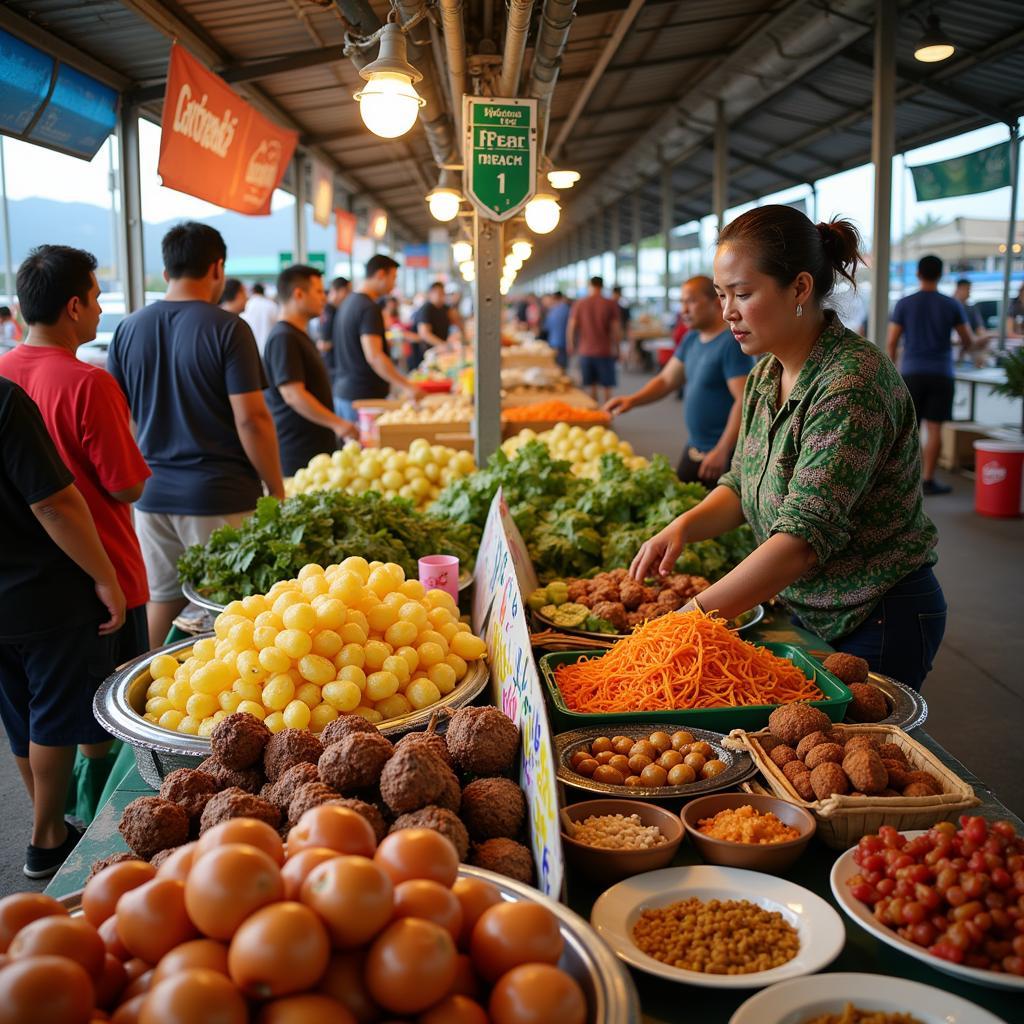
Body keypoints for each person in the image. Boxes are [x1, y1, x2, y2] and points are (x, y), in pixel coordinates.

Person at [631, 205, 944, 692]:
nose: (727, 311)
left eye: (743, 293)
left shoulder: (850, 384)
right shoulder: (766, 371)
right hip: (808, 609)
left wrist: (689, 618)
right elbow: (741, 481)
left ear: (799, 288)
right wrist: (683, 527)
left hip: (875, 613)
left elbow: (800, 540)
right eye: (721, 295)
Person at [107, 222, 283, 648]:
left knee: (163, 601)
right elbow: (252, 419)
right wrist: (276, 488)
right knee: (231, 613)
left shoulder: (127, 329)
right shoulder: (228, 328)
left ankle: (147, 691)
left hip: (152, 496)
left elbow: (122, 418)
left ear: (166, 271)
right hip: (219, 497)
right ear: (217, 268)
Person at [0, 378, 126, 876]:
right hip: (40, 591)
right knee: (51, 712)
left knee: (18, 715)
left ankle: (45, 823)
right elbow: (53, 503)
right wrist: (105, 577)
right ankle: (47, 839)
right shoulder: (5, 400)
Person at [0, 243, 150, 654]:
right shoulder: (90, 383)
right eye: (97, 298)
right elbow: (127, 487)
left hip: (20, 587)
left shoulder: (3, 375)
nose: (100, 309)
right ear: (74, 307)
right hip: (101, 580)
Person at [606, 276, 753, 484]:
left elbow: (744, 400)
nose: (683, 309)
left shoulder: (731, 343)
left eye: (691, 301)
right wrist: (632, 400)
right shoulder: (692, 338)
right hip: (695, 447)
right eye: (682, 302)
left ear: (716, 301)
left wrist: (722, 450)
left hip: (723, 455)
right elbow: (667, 380)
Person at [886, 255, 973, 496]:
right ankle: (928, 480)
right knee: (934, 429)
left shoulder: (904, 304)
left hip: (912, 372)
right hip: (941, 372)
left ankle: (907, 482)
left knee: (909, 430)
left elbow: (892, 341)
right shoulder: (951, 304)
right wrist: (962, 351)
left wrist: (892, 370)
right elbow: (968, 339)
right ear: (941, 274)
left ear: (918, 274)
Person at [263, 265, 357, 475]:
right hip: (299, 452)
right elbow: (293, 395)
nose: (324, 298)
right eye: (318, 292)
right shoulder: (283, 337)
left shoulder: (298, 334)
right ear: (298, 294)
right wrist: (338, 423)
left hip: (314, 449)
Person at [330, 254, 422, 422]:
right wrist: (406, 386)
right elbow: (374, 356)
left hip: (345, 392)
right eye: (393, 278)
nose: (394, 285)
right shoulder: (368, 307)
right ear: (380, 274)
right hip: (363, 397)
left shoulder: (348, 302)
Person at [568, 276, 622, 404]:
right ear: (602, 286)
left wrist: (570, 344)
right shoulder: (610, 304)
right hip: (605, 351)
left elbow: (571, 327)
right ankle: (608, 416)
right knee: (607, 388)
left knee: (591, 388)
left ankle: (595, 415)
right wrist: (618, 348)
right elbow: (616, 329)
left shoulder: (580, 303)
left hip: (585, 351)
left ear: (589, 286)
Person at [409, 282, 453, 370]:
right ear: (431, 293)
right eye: (439, 293)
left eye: (443, 293)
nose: (441, 296)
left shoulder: (445, 308)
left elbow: (456, 320)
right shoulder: (426, 308)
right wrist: (443, 345)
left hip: (440, 351)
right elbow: (424, 333)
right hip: (426, 353)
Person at [952, 279, 990, 366]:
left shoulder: (971, 309)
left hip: (968, 345)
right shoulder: (949, 306)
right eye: (967, 289)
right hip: (957, 347)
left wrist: (982, 337)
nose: (969, 293)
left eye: (969, 290)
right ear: (958, 289)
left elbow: (980, 329)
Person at [316, 276, 350, 355]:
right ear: (342, 291)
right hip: (331, 362)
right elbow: (323, 344)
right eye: (348, 291)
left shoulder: (331, 309)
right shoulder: (330, 311)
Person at [242, 282, 278, 354]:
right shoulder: (272, 305)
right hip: (269, 349)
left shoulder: (246, 305)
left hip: (251, 349)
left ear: (253, 291)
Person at [542, 291, 571, 369]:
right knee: (563, 365)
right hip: (564, 342)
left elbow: (546, 327)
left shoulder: (552, 311)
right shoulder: (567, 309)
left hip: (554, 341)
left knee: (556, 364)